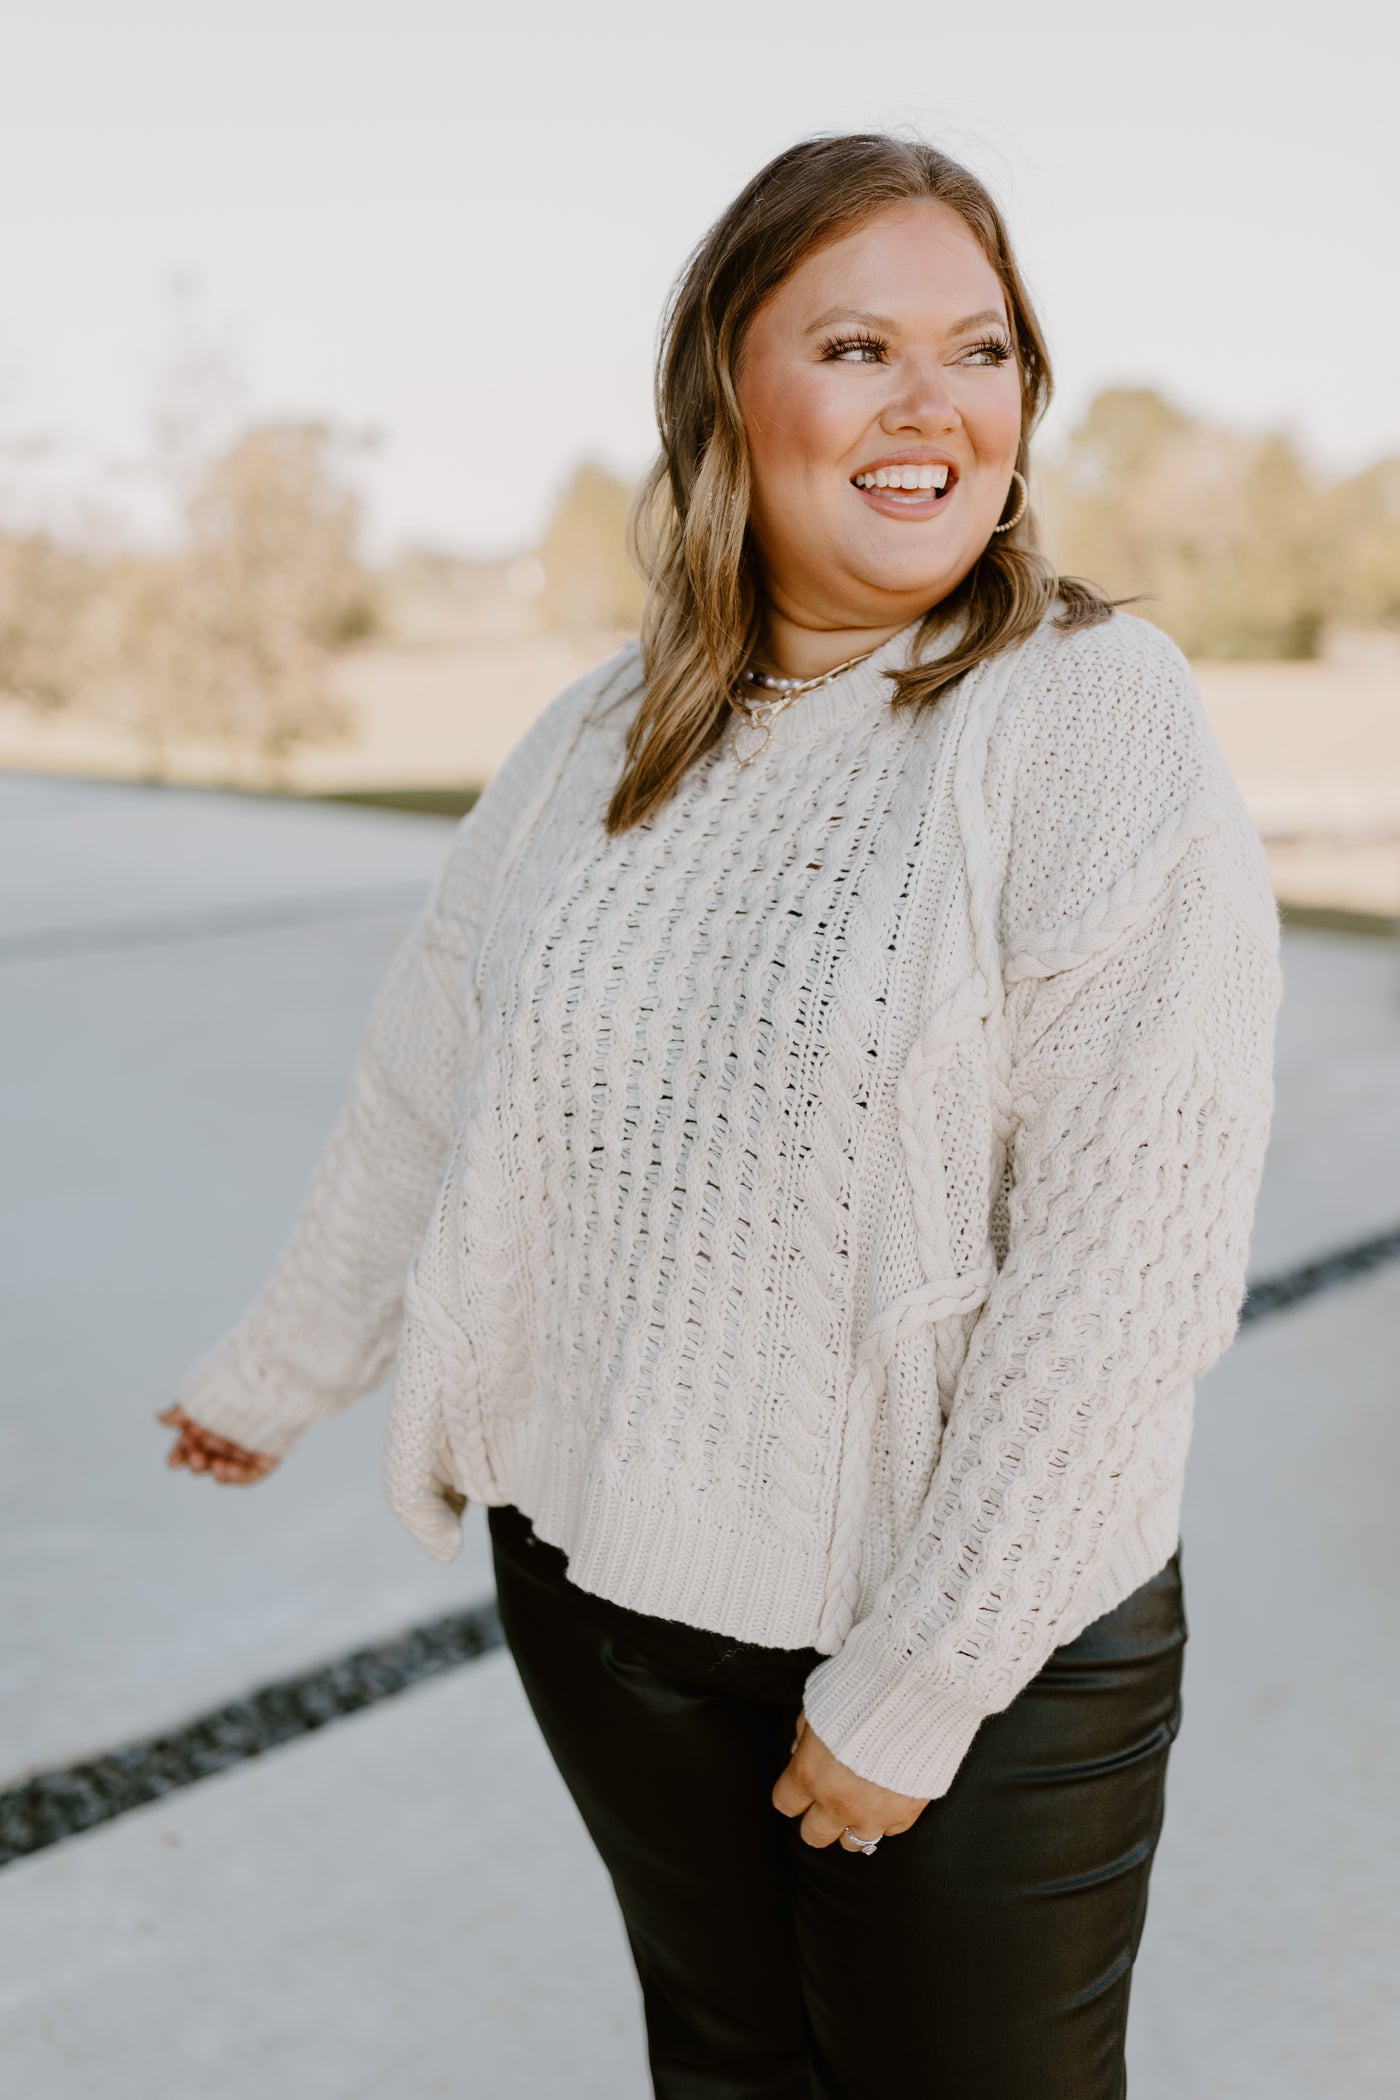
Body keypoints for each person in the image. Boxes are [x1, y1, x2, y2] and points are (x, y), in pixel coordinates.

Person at [158, 132, 1283, 2097]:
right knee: (722, 2069)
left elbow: (1128, 1263)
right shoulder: (599, 731)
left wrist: (917, 1683)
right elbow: (433, 1083)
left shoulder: (1089, 714)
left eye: (984, 348)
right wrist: (282, 1366)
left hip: (977, 1637)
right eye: (856, 346)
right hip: (605, 1586)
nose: (936, 401)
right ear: (724, 400)